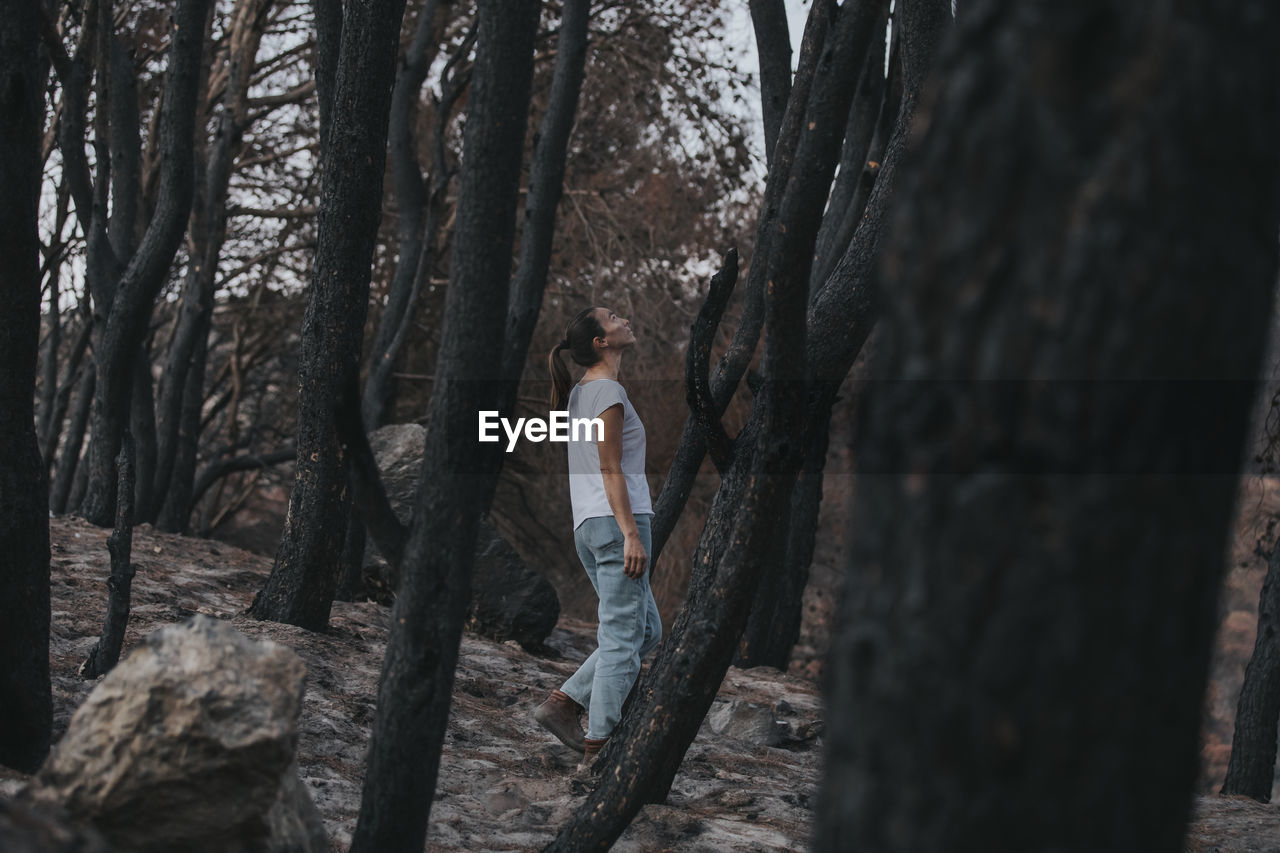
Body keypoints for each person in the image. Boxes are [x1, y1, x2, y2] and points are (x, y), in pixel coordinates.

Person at [534, 306, 662, 771]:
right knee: (623, 638)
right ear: (600, 343)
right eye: (612, 317)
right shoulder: (606, 391)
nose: (624, 317)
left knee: (645, 631)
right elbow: (610, 468)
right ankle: (600, 747)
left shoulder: (583, 394)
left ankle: (565, 703)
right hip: (614, 525)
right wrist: (631, 532)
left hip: (590, 525)